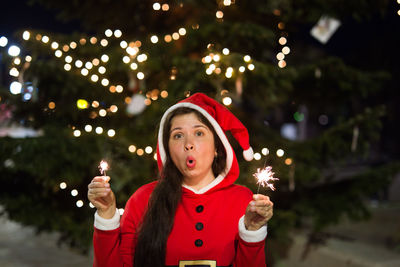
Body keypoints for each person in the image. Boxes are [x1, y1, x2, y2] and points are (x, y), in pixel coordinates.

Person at [88, 93, 274, 267]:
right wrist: (106, 215)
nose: (188, 144)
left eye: (199, 133)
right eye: (178, 135)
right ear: (167, 149)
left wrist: (253, 231)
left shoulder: (242, 200)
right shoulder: (142, 199)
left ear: (217, 146)